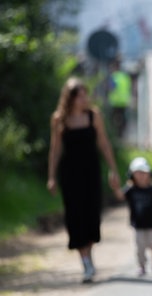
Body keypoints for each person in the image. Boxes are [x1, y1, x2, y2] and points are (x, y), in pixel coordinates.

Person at [47, 77, 120, 283]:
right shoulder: (59, 119)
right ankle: (85, 261)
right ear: (69, 98)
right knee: (74, 215)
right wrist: (51, 176)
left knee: (91, 214)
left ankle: (88, 254)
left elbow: (104, 143)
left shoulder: (93, 115)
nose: (83, 99)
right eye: (78, 96)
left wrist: (113, 169)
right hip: (70, 175)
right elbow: (56, 149)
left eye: (84, 94)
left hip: (91, 172)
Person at [113, 157, 152, 276]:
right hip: (138, 225)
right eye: (138, 173)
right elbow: (120, 196)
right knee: (140, 248)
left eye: (143, 173)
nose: (141, 176)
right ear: (132, 175)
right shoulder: (131, 190)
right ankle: (141, 266)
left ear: (149, 174)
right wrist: (116, 187)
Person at [108, 60, 132, 139]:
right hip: (124, 101)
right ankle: (122, 133)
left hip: (115, 102)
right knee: (123, 119)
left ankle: (116, 134)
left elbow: (111, 88)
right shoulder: (125, 76)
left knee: (114, 119)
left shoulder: (114, 77)